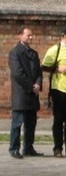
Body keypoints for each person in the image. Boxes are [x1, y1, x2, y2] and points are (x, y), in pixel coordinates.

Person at [41, 25, 66, 158]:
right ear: (64, 35)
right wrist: (58, 69)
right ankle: (57, 148)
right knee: (58, 120)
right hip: (59, 88)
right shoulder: (55, 49)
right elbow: (44, 66)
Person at [8, 27, 44, 159]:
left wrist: (38, 84)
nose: (31, 37)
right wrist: (31, 85)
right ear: (20, 36)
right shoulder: (15, 53)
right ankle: (14, 147)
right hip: (21, 93)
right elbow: (18, 73)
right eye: (28, 35)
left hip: (33, 93)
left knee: (31, 123)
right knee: (17, 122)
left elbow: (38, 72)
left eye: (31, 35)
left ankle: (28, 147)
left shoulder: (34, 54)